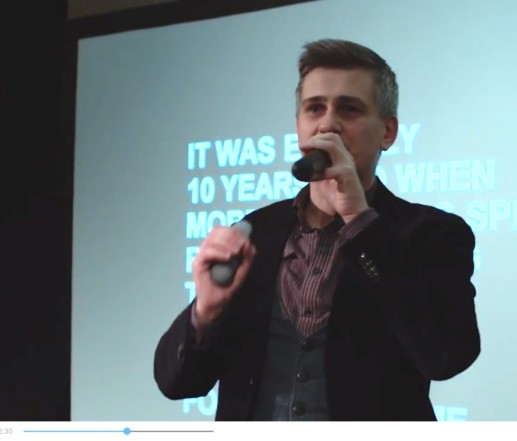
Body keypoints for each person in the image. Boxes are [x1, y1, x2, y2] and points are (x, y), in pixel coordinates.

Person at [154, 38, 480, 421]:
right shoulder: (256, 231)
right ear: (299, 128)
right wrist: (205, 312)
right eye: (314, 108)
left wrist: (359, 218)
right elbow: (177, 384)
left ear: (388, 132)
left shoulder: (434, 234)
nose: (327, 124)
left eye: (349, 108)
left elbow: (446, 356)